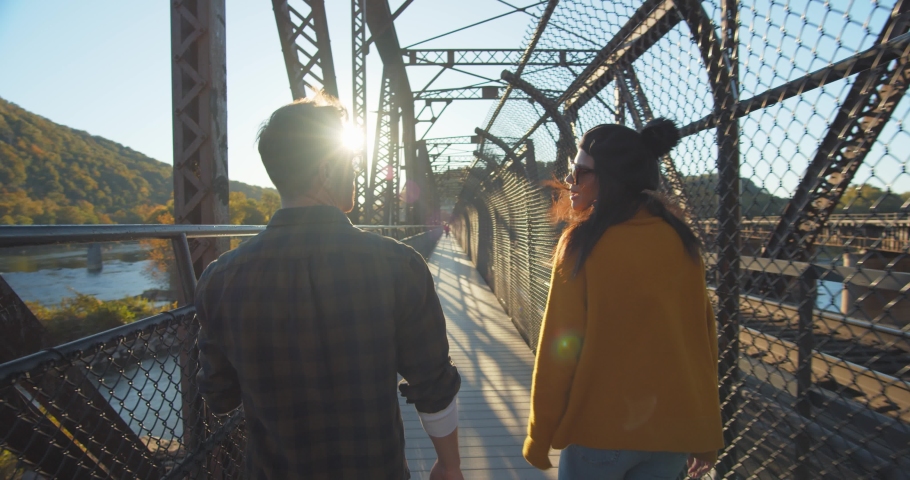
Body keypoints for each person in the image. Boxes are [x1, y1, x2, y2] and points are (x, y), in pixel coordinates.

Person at [194, 93, 463, 480]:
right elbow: (432, 382)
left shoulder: (220, 280)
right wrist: (449, 464)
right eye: (350, 162)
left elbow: (219, 395)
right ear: (324, 170)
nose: (355, 172)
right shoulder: (397, 265)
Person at [522, 118, 723, 479]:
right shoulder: (680, 241)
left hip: (600, 433)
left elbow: (559, 348)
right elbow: (702, 343)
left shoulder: (583, 244)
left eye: (581, 172)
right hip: (671, 435)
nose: (571, 181)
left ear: (610, 178)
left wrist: (539, 435)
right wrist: (705, 435)